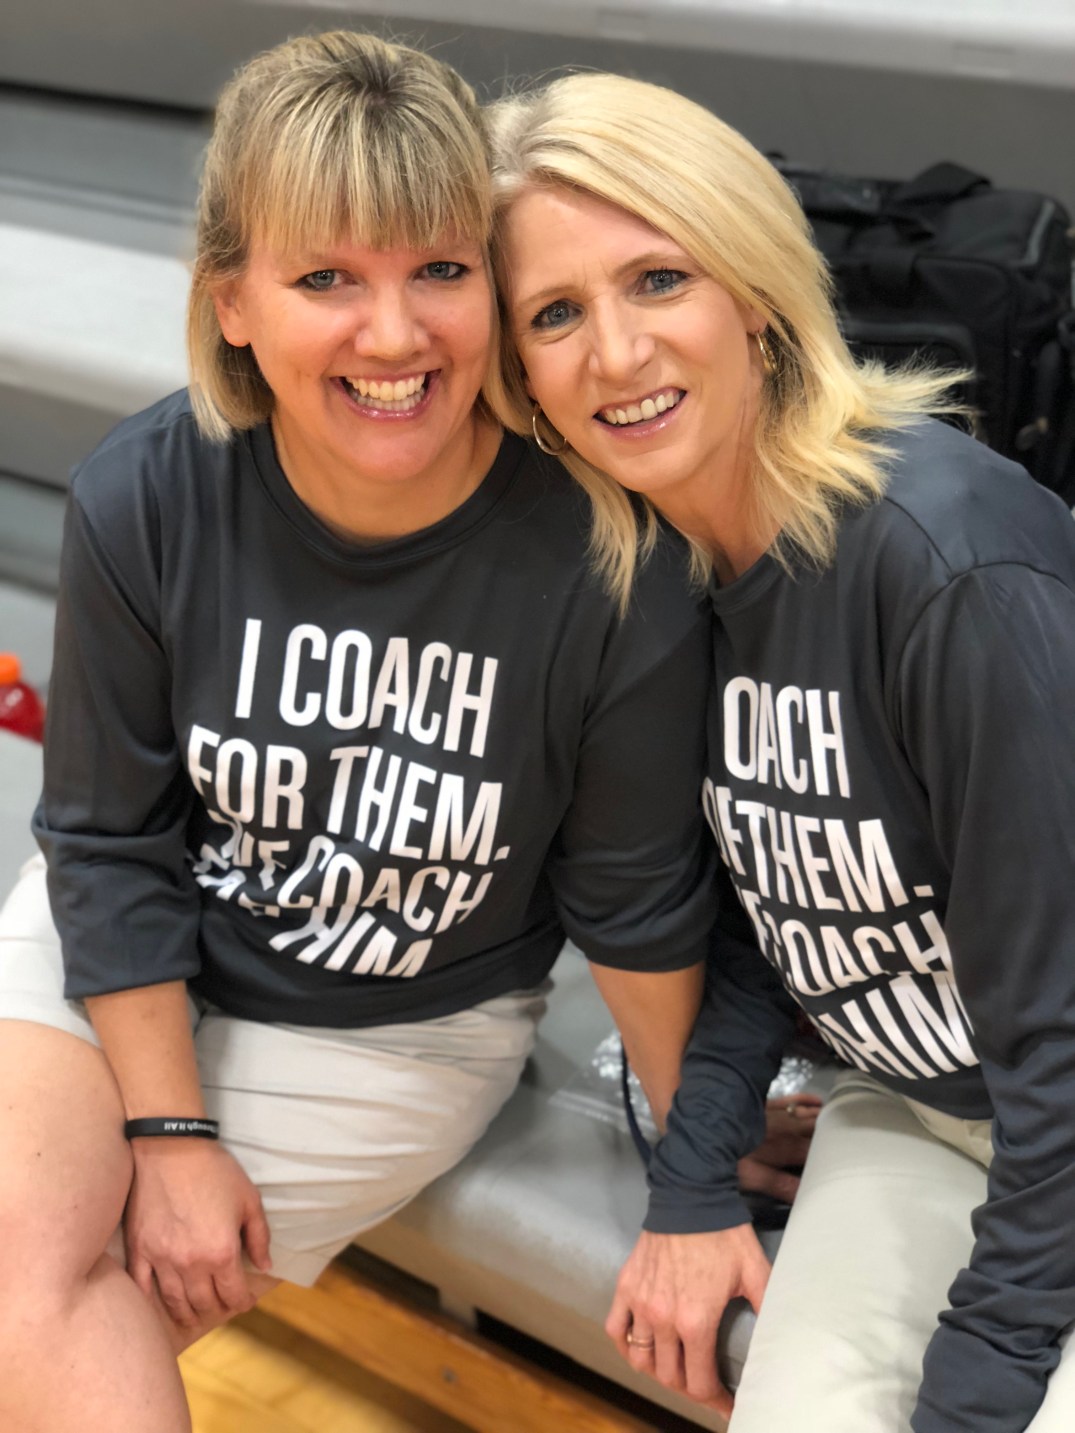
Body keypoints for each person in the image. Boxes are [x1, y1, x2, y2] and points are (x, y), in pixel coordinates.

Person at [0, 35, 727, 1432]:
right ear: (231, 301)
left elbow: (630, 903)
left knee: (55, 1314)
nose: (393, 337)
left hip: (394, 1029)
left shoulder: (606, 562)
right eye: (326, 278)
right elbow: (107, 841)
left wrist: (702, 1159)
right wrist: (168, 1130)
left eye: (438, 270)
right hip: (129, 950)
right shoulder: (145, 495)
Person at [487, 70, 1075, 1433]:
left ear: (752, 291)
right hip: (918, 1110)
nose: (615, 353)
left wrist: (974, 1394)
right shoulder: (668, 573)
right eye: (555, 314)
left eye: (658, 279)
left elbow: (1063, 1031)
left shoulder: (945, 561)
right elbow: (787, 915)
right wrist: (694, 1174)